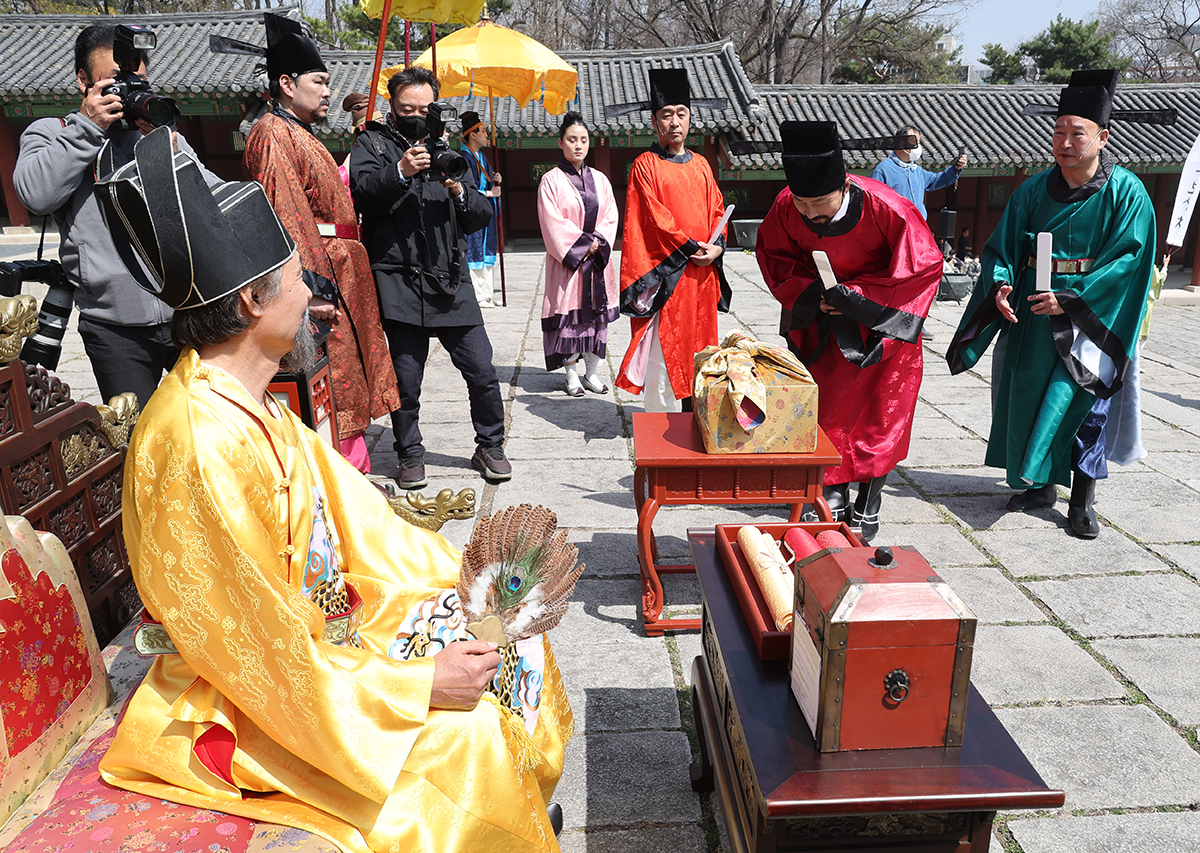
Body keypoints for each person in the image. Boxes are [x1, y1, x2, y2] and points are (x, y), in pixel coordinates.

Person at [93, 126, 570, 853]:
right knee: (461, 741)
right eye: (292, 274)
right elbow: (258, 648)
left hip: (322, 637)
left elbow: (361, 522)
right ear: (252, 302)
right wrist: (415, 685)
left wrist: (470, 583)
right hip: (247, 699)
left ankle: (521, 806)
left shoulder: (249, 402)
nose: (309, 287)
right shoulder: (199, 444)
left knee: (516, 643)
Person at [946, 70, 1163, 539]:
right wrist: (1001, 286)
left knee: (1084, 404)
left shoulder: (1127, 193)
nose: (1064, 141)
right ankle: (1039, 485)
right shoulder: (1030, 191)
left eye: (1076, 132)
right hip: (1032, 312)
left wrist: (1071, 299)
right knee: (1025, 396)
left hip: (1093, 318)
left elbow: (1129, 260)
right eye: (1058, 131)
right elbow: (1001, 249)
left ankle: (1082, 498)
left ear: (1102, 137)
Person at [13, 23, 218, 410]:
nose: (128, 93)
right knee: (136, 436)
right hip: (113, 327)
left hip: (187, 311)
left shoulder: (155, 134)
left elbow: (211, 199)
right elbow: (35, 193)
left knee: (207, 425)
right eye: (113, 83)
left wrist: (171, 149)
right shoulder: (54, 132)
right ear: (83, 81)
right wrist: (88, 128)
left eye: (136, 81)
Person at [756, 121, 943, 541]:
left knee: (881, 415)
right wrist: (809, 294)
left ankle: (870, 498)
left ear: (843, 185)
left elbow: (923, 266)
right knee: (829, 411)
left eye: (820, 203)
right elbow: (775, 256)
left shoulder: (888, 208)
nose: (811, 214)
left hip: (882, 321)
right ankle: (832, 490)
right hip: (823, 322)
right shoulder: (788, 205)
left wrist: (857, 296)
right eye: (803, 205)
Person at [243, 13, 399, 474]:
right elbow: (285, 214)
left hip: (341, 269)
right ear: (287, 84)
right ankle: (342, 483)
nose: (329, 91)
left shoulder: (296, 133)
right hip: (321, 278)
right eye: (320, 81)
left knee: (347, 380)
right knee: (331, 387)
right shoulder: (274, 133)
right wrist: (310, 290)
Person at [350, 67, 512, 487]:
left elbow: (480, 216)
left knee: (481, 368)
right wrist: (401, 170)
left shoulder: (449, 152)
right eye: (408, 109)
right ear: (393, 107)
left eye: (426, 108)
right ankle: (410, 453)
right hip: (399, 281)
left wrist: (459, 189)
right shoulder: (372, 143)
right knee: (406, 379)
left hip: (450, 281)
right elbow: (363, 194)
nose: (417, 116)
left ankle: (490, 444)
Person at [611, 68, 731, 412]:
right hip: (670, 277)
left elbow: (717, 210)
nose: (674, 122)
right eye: (667, 115)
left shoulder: (703, 165)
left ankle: (699, 419)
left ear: (690, 118)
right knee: (665, 356)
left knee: (702, 352)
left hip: (702, 278)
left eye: (681, 114)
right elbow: (653, 220)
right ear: (654, 121)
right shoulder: (645, 166)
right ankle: (660, 433)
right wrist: (694, 248)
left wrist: (717, 246)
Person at [536, 111, 619, 397]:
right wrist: (584, 245)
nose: (578, 145)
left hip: (597, 263)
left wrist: (598, 243)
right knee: (569, 318)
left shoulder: (601, 179)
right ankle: (571, 374)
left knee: (596, 318)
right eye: (572, 140)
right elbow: (552, 222)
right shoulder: (550, 180)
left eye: (583, 140)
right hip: (569, 263)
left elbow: (610, 216)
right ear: (561, 143)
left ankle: (592, 373)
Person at [870, 126, 968, 222]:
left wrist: (955, 168)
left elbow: (938, 180)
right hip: (895, 228)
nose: (918, 146)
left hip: (918, 227)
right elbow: (874, 203)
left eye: (919, 142)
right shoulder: (883, 170)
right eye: (914, 142)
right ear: (901, 143)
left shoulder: (917, 170)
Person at [460, 110, 502, 308]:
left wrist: (496, 180)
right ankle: (477, 296)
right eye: (483, 131)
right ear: (472, 134)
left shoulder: (481, 157)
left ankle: (487, 294)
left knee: (487, 249)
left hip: (486, 208)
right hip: (474, 210)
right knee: (474, 249)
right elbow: (466, 187)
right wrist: (489, 194)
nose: (487, 135)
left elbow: (486, 182)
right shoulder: (464, 157)